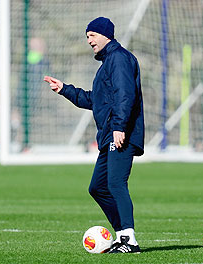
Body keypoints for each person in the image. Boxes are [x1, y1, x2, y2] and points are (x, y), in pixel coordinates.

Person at [44, 17, 144, 254]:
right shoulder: (107, 63)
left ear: (105, 34)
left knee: (115, 183)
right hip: (109, 134)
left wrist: (120, 127)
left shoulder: (119, 58)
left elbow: (125, 95)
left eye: (92, 35)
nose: (88, 40)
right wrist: (65, 89)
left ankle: (129, 240)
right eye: (86, 36)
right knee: (97, 187)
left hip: (120, 133)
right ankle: (121, 237)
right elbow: (95, 100)